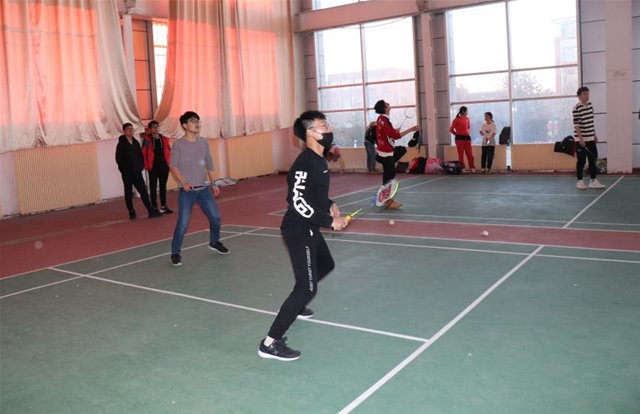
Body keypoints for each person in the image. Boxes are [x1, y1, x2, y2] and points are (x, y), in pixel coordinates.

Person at [258, 110, 348, 361]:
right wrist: (329, 221)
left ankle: (297, 302)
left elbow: (313, 194)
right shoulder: (304, 163)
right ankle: (269, 343)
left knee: (325, 265)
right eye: (323, 125)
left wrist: (329, 204)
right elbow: (296, 201)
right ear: (310, 133)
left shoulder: (320, 160)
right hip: (298, 230)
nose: (329, 129)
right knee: (307, 287)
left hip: (309, 227)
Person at [169, 111, 229, 267]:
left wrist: (213, 183)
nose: (197, 123)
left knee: (216, 217)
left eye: (198, 121)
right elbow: (173, 166)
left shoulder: (203, 142)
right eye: (192, 121)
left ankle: (214, 242)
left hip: (204, 190)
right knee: (183, 224)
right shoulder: (179, 145)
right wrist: (183, 182)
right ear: (184, 125)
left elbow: (208, 163)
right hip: (187, 192)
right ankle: (175, 253)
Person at [374, 100, 419, 209]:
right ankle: (387, 201)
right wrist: (411, 129)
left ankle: (384, 199)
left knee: (388, 175)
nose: (388, 104)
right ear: (385, 108)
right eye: (386, 104)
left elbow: (388, 133)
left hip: (382, 151)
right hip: (386, 153)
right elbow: (396, 136)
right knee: (390, 177)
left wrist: (394, 131)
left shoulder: (380, 119)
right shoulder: (384, 120)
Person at [115, 123, 162, 220]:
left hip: (137, 172)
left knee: (143, 191)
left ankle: (150, 211)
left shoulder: (136, 142)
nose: (130, 131)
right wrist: (124, 170)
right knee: (128, 192)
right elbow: (119, 159)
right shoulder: (121, 144)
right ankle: (131, 211)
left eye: (131, 129)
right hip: (127, 173)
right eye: (128, 129)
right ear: (124, 131)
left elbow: (140, 156)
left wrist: (140, 167)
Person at [573, 86, 605, 190]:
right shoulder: (576, 108)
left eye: (588, 94)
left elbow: (591, 122)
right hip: (581, 140)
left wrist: (594, 135)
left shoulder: (590, 105)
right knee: (581, 161)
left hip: (591, 138)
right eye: (585, 94)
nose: (587, 96)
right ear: (579, 96)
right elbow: (576, 125)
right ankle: (580, 181)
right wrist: (581, 139)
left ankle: (593, 181)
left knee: (593, 159)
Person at [142, 120, 173, 214]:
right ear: (150, 129)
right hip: (153, 168)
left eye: (157, 127)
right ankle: (154, 207)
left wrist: (169, 164)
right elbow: (143, 153)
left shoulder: (164, 139)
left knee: (163, 187)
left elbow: (169, 152)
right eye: (153, 127)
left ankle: (163, 207)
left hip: (164, 167)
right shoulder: (147, 140)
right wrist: (147, 166)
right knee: (153, 187)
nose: (155, 129)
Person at [449, 106, 476, 173]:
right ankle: (463, 168)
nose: (467, 112)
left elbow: (468, 127)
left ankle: (472, 167)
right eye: (466, 111)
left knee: (469, 154)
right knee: (461, 154)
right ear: (463, 111)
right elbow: (451, 129)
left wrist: (464, 133)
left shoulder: (467, 119)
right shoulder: (456, 120)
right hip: (459, 139)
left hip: (467, 138)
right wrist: (457, 134)